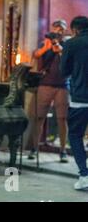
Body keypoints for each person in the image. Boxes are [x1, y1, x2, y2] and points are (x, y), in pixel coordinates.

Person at [29, 19, 69, 162]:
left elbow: (69, 59)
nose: (58, 30)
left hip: (62, 85)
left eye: (61, 28)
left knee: (62, 119)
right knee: (39, 118)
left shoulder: (67, 44)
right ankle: (34, 148)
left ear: (64, 30)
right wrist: (47, 47)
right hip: (45, 84)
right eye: (56, 28)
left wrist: (59, 49)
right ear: (52, 29)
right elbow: (36, 55)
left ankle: (63, 150)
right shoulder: (45, 42)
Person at [60, 16, 88, 190]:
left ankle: (84, 176)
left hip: (81, 98)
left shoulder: (72, 44)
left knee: (75, 135)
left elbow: (64, 71)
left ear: (75, 29)